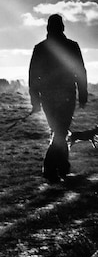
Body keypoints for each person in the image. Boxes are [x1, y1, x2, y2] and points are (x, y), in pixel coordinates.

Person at [29, 14, 88, 183]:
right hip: (68, 95)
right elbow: (80, 71)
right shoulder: (72, 46)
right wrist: (82, 94)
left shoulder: (40, 48)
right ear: (62, 27)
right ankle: (50, 168)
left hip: (47, 96)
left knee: (58, 131)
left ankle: (62, 166)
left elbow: (33, 76)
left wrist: (36, 101)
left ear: (48, 28)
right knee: (60, 131)